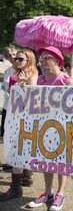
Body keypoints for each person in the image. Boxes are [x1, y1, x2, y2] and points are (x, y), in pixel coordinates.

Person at [27, 46, 73, 211]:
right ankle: (48, 192)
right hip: (43, 127)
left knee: (61, 161)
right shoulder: (38, 80)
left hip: (61, 128)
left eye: (46, 57)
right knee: (46, 160)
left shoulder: (66, 80)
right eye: (41, 57)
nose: (42, 60)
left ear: (57, 60)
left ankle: (60, 194)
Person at [0, 48, 38, 202]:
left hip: (24, 117)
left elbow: (31, 96)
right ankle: (24, 178)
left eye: (21, 59)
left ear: (29, 60)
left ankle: (17, 187)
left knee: (20, 148)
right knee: (17, 147)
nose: (17, 61)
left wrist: (23, 83)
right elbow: (9, 90)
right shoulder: (14, 72)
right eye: (16, 59)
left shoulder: (32, 74)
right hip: (11, 112)